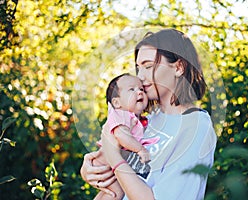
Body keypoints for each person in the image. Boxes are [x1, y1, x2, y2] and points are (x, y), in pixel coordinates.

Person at [80, 28, 217, 200]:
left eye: (149, 66)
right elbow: (124, 174)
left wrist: (114, 156)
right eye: (138, 68)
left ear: (179, 67)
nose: (141, 77)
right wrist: (91, 168)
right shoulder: (147, 121)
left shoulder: (196, 126)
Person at [93, 73, 158, 200]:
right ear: (116, 102)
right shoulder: (121, 115)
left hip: (109, 161)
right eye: (132, 90)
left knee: (109, 192)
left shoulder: (137, 119)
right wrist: (140, 149)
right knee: (116, 193)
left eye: (141, 89)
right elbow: (122, 136)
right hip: (106, 162)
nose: (139, 92)